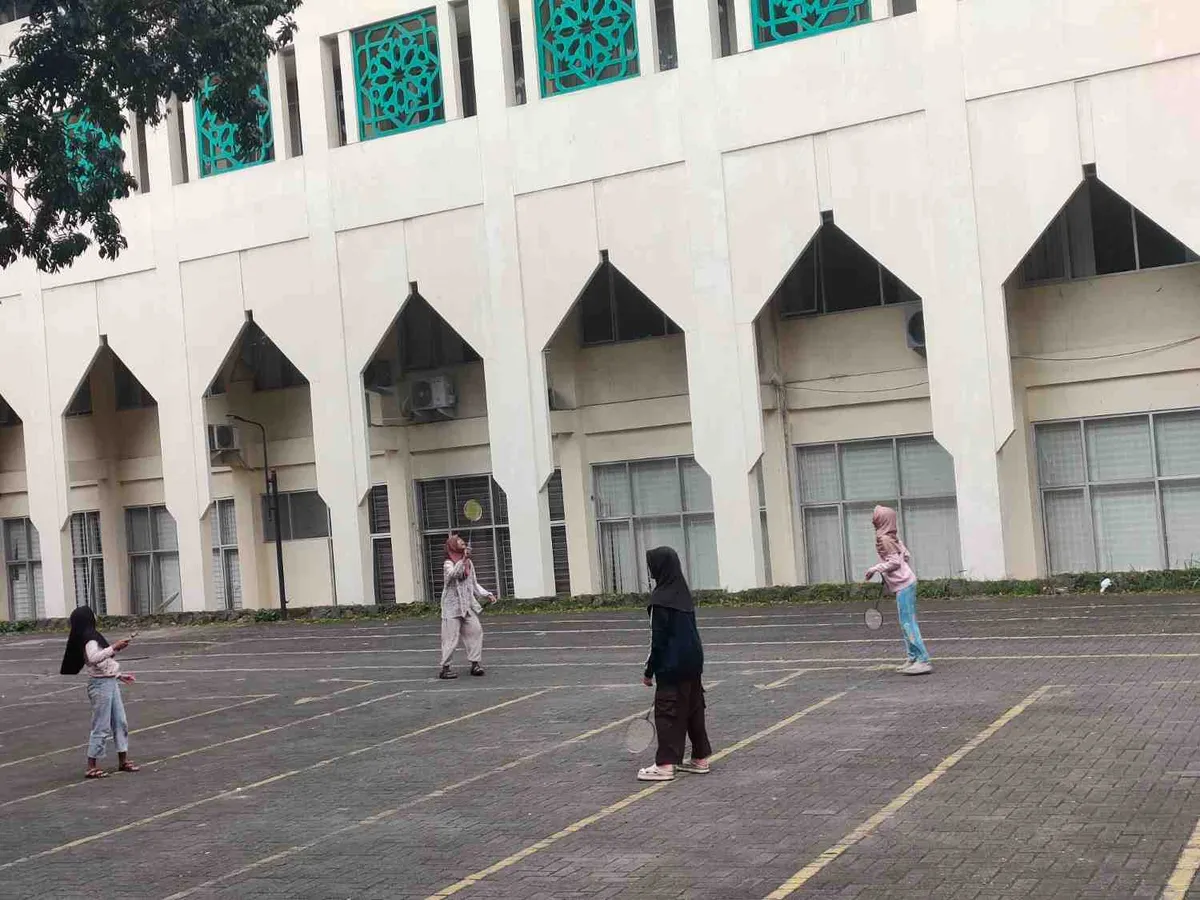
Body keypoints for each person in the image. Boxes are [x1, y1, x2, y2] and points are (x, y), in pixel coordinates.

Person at [637, 546, 712, 782]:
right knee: (693, 710)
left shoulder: (660, 600)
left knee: (667, 713)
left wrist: (649, 671)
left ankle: (666, 764)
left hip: (671, 666)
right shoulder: (683, 594)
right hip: (694, 662)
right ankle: (700, 758)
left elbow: (657, 641)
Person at [59, 606, 140, 779]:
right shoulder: (89, 639)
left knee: (120, 722)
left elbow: (104, 664)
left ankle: (123, 760)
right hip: (100, 685)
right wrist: (114, 647)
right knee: (101, 725)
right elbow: (94, 658)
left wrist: (118, 675)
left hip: (109, 681)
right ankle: (91, 766)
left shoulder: (93, 636)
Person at [865, 505, 932, 675]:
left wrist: (876, 569)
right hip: (906, 582)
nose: (873, 519)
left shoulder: (884, 539)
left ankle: (923, 660)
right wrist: (890, 572)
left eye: (876, 516)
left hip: (904, 585)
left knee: (908, 623)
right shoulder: (892, 537)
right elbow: (905, 555)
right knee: (906, 623)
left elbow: (894, 562)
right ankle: (913, 658)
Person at [439, 534, 496, 680]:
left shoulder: (469, 563)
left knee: (476, 632)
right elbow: (454, 574)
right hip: (451, 608)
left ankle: (475, 664)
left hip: (467, 606)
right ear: (452, 546)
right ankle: (445, 668)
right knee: (450, 639)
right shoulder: (448, 563)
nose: (462, 541)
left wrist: (487, 594)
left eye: (461, 540)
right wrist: (463, 559)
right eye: (458, 541)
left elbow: (473, 583)